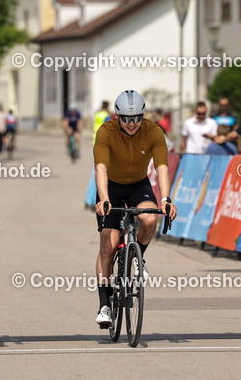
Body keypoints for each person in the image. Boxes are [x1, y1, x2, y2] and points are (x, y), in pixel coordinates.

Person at [93, 90, 177, 328]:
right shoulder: (106, 132)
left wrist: (166, 199)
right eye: (126, 119)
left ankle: (137, 255)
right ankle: (104, 305)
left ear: (143, 116)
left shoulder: (153, 132)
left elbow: (162, 167)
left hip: (138, 185)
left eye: (136, 118)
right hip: (111, 186)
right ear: (117, 117)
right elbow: (100, 168)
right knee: (108, 246)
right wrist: (104, 198)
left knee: (150, 219)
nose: (131, 124)